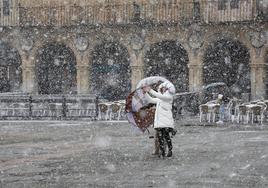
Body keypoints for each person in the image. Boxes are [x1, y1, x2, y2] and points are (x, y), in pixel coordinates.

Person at [143, 81, 175, 158]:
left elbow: (159, 96)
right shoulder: (160, 99)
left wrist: (150, 90)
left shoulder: (168, 97)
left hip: (167, 122)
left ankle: (170, 150)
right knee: (160, 137)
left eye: (165, 88)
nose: (163, 90)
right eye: (162, 88)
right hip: (159, 122)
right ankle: (163, 151)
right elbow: (151, 100)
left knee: (166, 136)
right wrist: (145, 93)